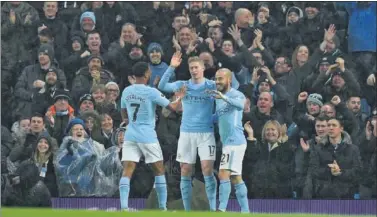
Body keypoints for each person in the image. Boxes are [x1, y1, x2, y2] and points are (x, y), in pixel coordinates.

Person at [119, 62, 183, 211]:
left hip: (130, 135)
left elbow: (124, 114)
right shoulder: (151, 92)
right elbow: (173, 108)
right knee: (159, 170)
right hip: (147, 136)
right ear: (147, 74)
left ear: (134, 75)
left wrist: (131, 123)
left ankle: (123, 207)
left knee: (127, 170)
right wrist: (179, 97)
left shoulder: (126, 91)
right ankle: (162, 208)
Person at [158, 52, 218, 211]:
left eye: (196, 67)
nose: (194, 70)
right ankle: (187, 211)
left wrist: (213, 118)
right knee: (185, 169)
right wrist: (171, 67)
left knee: (207, 169)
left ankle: (213, 209)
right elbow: (162, 86)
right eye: (191, 68)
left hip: (206, 133)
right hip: (186, 133)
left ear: (203, 68)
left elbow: (230, 91)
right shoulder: (182, 85)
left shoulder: (212, 85)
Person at [208, 68, 249, 213]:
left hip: (235, 141)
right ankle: (245, 212)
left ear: (229, 80)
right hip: (229, 142)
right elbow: (219, 115)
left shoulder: (237, 94)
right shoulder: (219, 97)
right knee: (236, 178)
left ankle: (221, 210)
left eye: (221, 79)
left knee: (223, 173)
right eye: (216, 79)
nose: (217, 82)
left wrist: (223, 97)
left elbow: (241, 106)